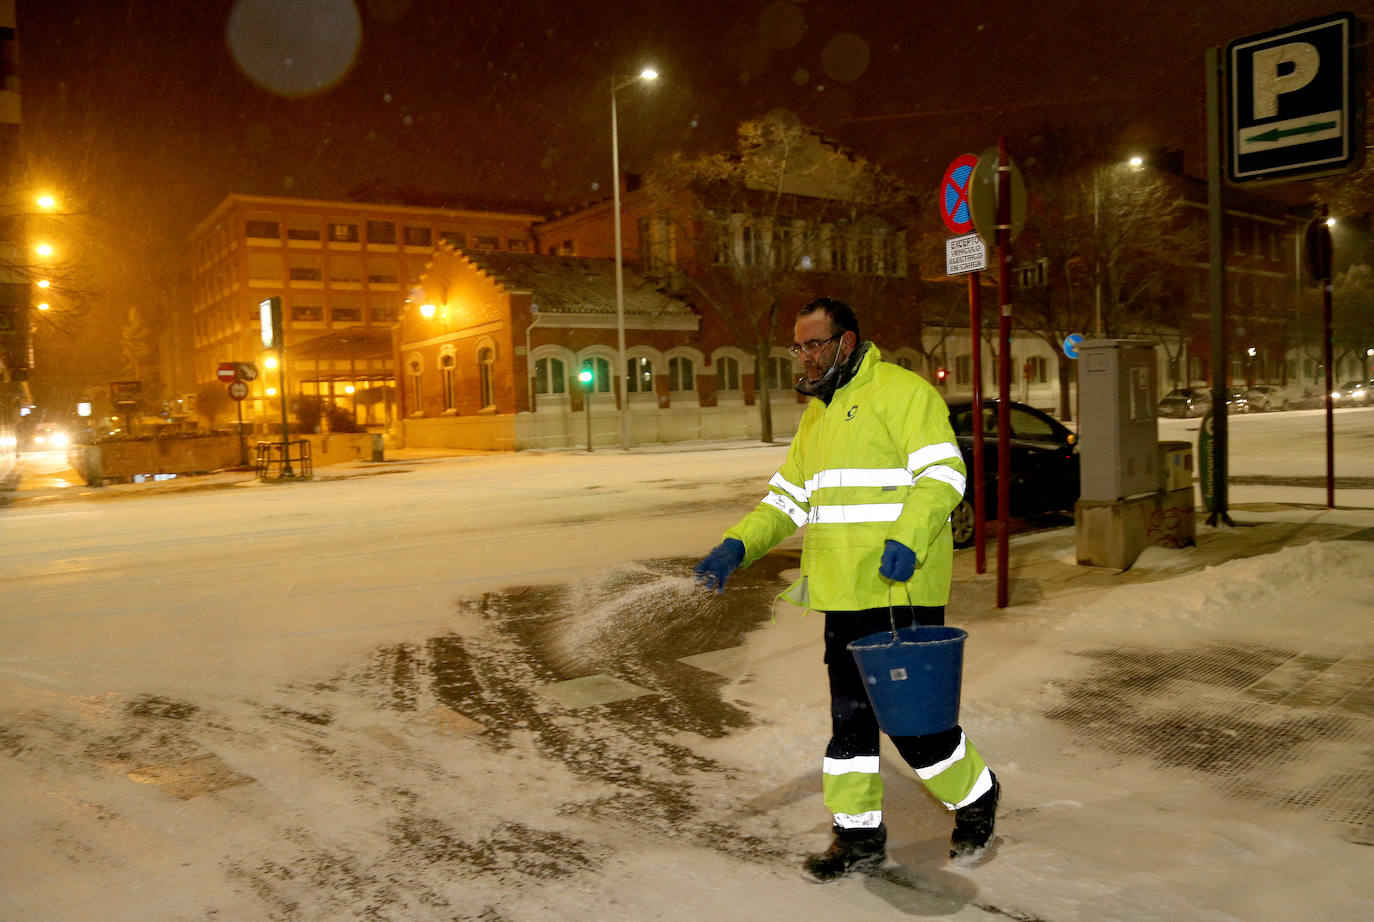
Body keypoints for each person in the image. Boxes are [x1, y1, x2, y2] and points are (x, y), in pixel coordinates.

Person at [693, 297, 999, 882]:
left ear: (847, 343)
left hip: (897, 589)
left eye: (813, 344)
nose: (804, 356)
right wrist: (737, 546)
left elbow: (944, 475)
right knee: (852, 725)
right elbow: (788, 500)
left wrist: (909, 538)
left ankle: (976, 799)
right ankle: (858, 839)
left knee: (916, 726)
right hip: (841, 595)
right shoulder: (820, 414)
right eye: (798, 346)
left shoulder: (903, 394)